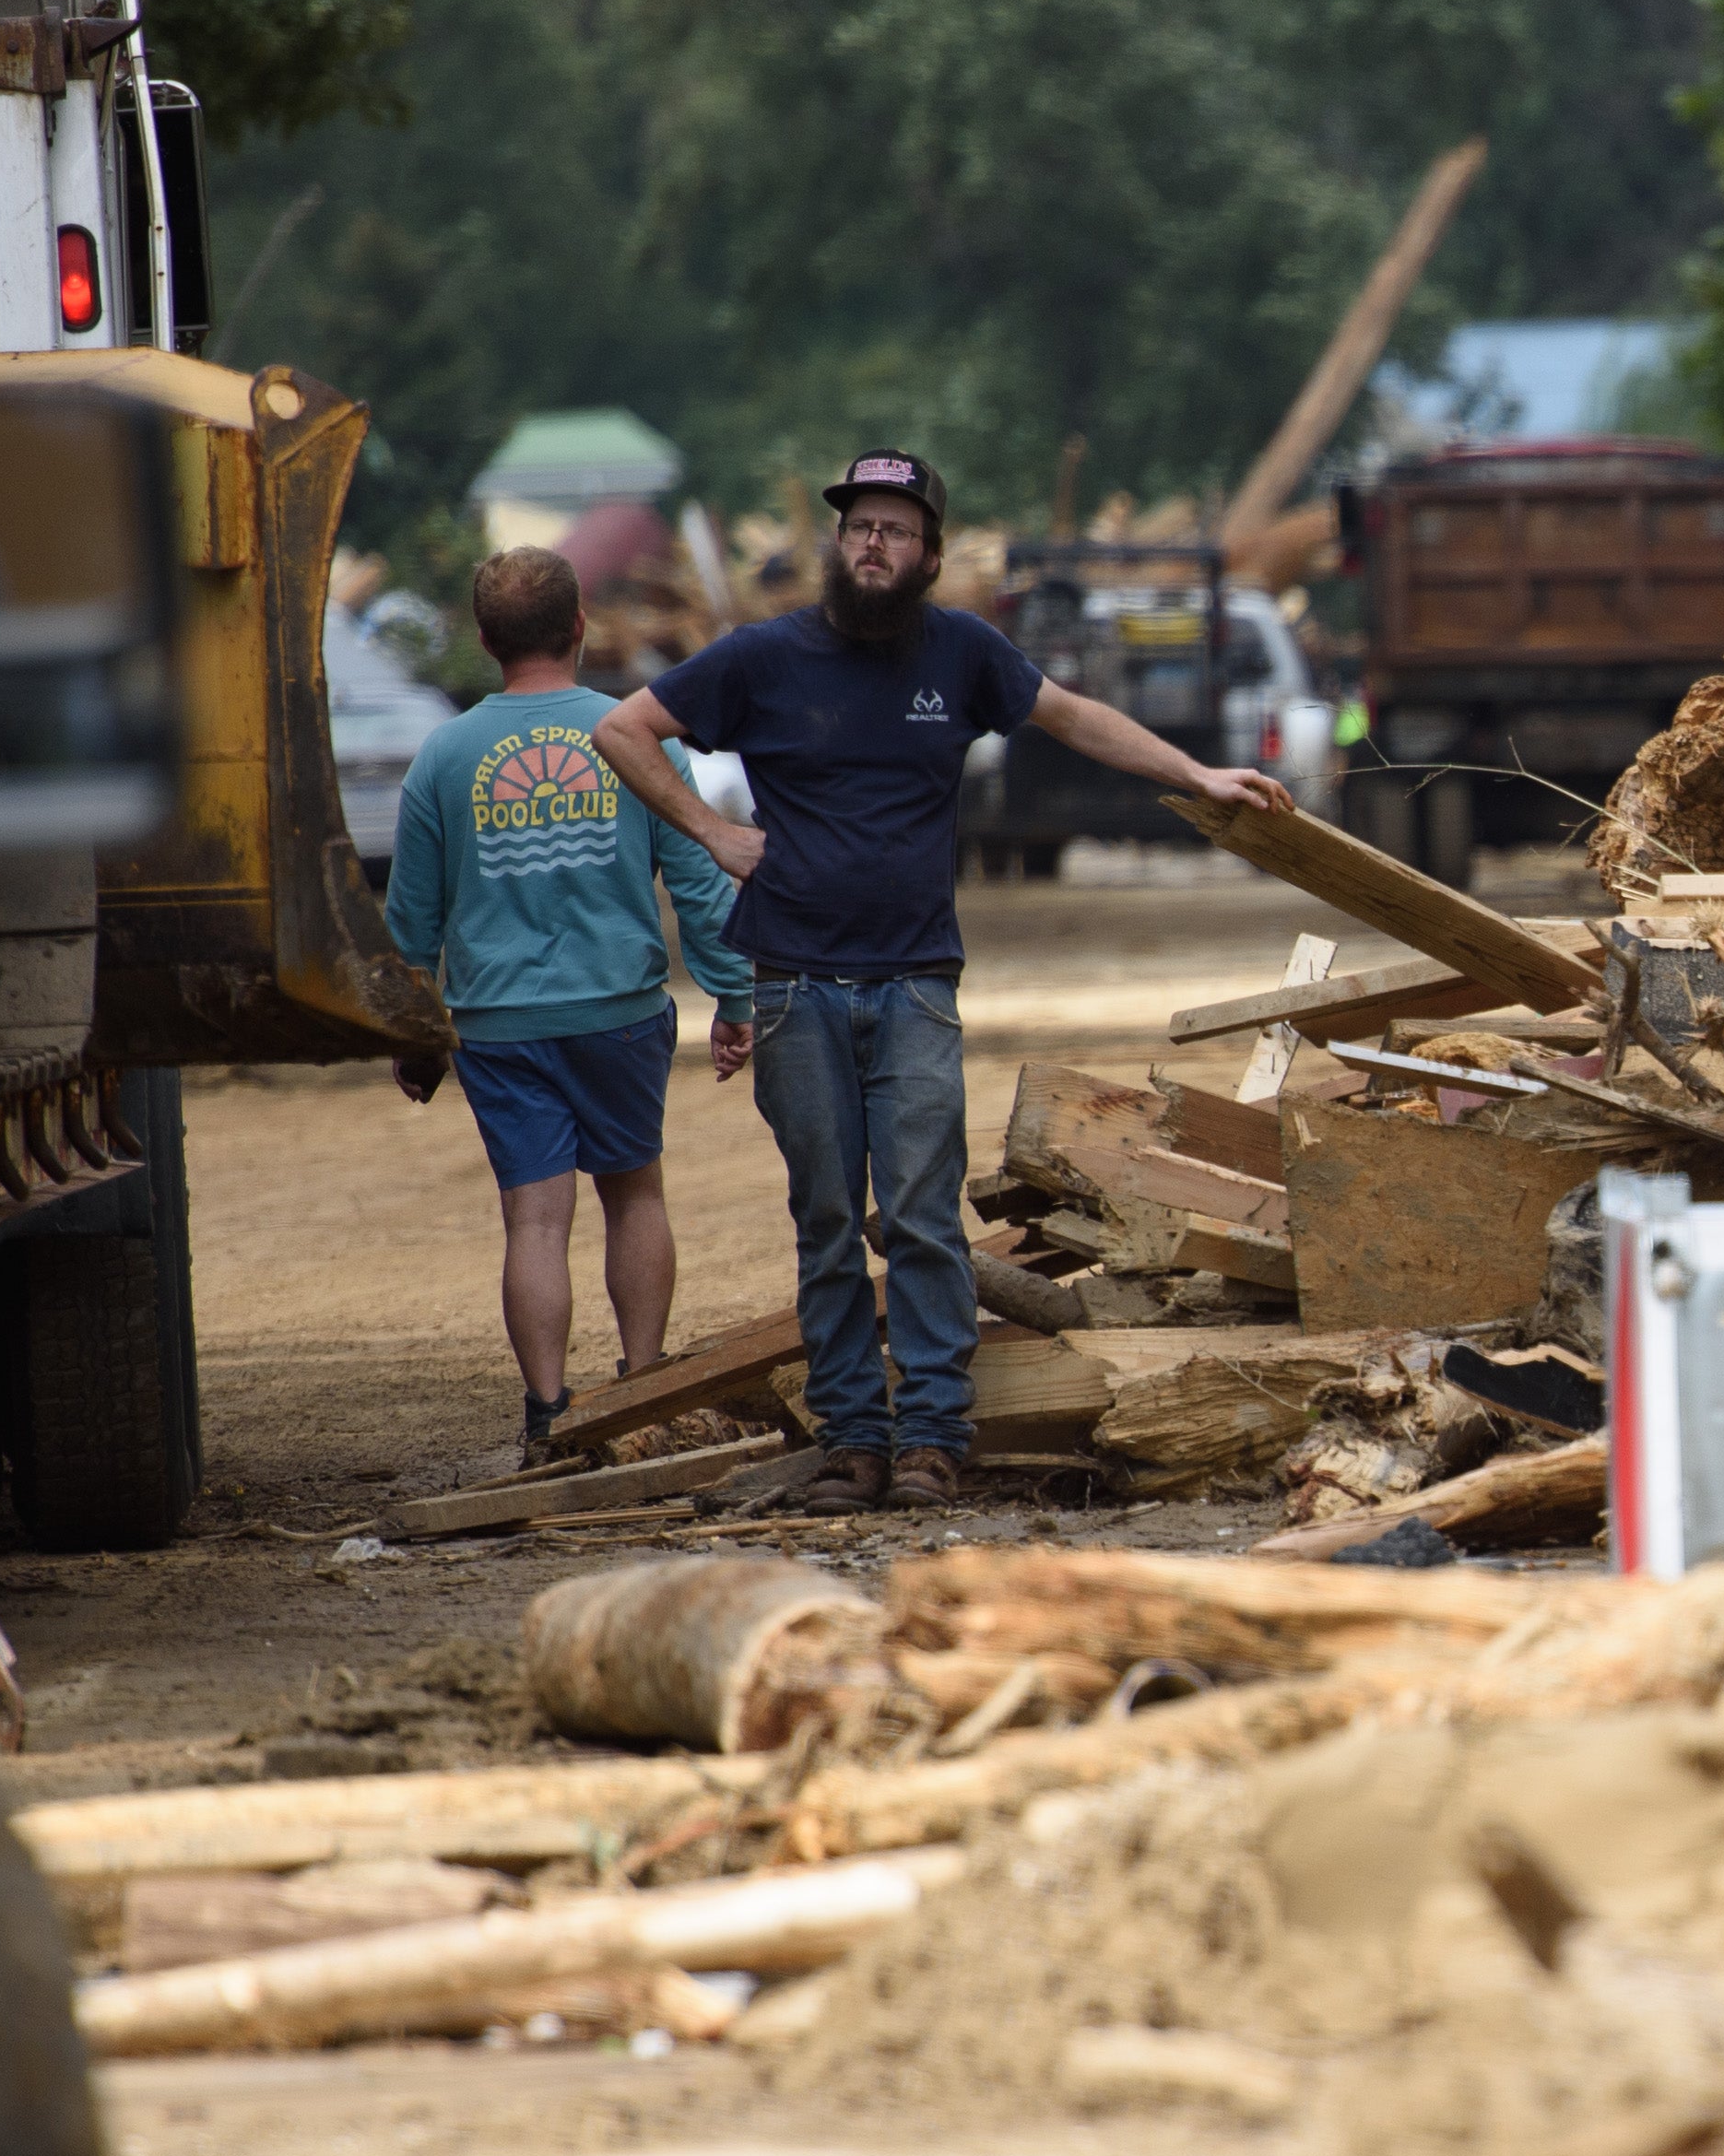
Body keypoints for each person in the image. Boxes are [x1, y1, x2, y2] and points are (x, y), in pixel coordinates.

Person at [593, 450, 1272, 1510]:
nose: (873, 543)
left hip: (914, 983)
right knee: (824, 1216)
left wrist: (1196, 772)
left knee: (919, 1216)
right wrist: (713, 831)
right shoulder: (764, 658)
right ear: (838, 543)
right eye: (859, 526)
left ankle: (933, 1441)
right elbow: (622, 727)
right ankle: (854, 1441)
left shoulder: (960, 652)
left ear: (930, 556)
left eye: (895, 530)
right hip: (794, 986)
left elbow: (1075, 717)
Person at [388, 546, 756, 1464]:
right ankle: (642, 1389)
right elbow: (698, 881)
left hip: (498, 1023)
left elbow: (412, 918)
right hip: (620, 1011)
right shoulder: (634, 732)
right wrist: (732, 992)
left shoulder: (444, 755)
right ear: (582, 623)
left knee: (535, 1219)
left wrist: (412, 1029)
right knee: (635, 1194)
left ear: (482, 640)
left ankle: (548, 1413)